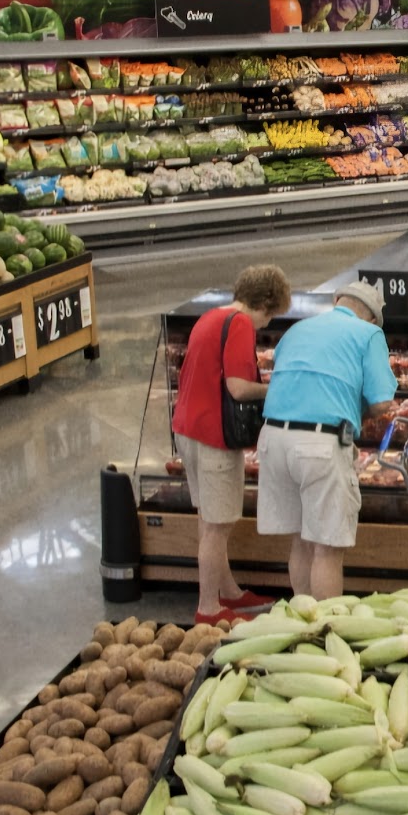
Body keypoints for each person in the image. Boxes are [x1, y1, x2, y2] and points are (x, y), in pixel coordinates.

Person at [256, 279, 397, 602]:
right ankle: (324, 630)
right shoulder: (368, 334)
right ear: (372, 318)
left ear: (337, 300)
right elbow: (381, 403)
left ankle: (301, 622)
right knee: (327, 548)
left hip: (273, 439)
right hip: (319, 445)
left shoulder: (297, 329)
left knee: (301, 541)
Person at [171, 264, 292, 624]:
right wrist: (277, 388)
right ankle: (208, 607)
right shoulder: (239, 325)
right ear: (267, 303)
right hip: (214, 435)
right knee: (217, 525)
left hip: (187, 427)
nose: (267, 325)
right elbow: (238, 388)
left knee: (208, 518)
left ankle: (228, 592)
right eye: (272, 316)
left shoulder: (211, 317)